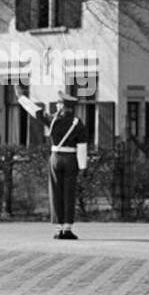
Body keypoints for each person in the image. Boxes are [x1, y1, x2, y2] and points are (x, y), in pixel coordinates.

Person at [15, 86, 89, 239]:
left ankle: (58, 228)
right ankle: (67, 228)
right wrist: (83, 168)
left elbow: (34, 111)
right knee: (69, 193)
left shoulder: (52, 120)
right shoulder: (78, 123)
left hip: (55, 157)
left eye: (59, 103)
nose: (57, 105)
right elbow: (82, 147)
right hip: (71, 159)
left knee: (55, 192)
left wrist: (21, 98)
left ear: (63, 106)